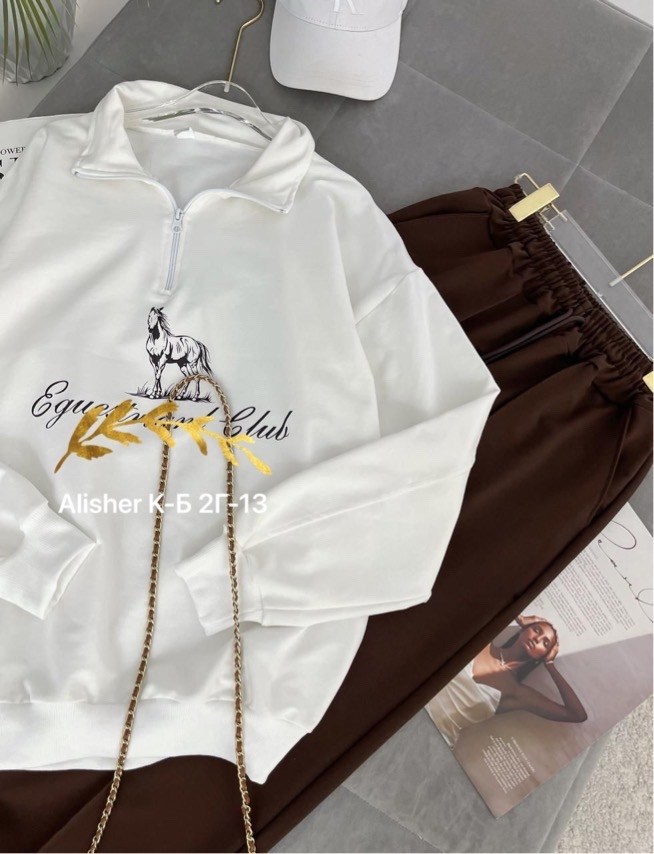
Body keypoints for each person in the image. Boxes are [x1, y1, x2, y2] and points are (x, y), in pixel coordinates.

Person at [426, 614, 588, 748]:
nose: (538, 639)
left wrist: (550, 665)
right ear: (523, 630)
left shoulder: (518, 693)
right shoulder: (482, 641)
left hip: (436, 740)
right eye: (536, 630)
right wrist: (518, 616)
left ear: (543, 655)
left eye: (545, 643)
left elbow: (577, 714)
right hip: (417, 698)